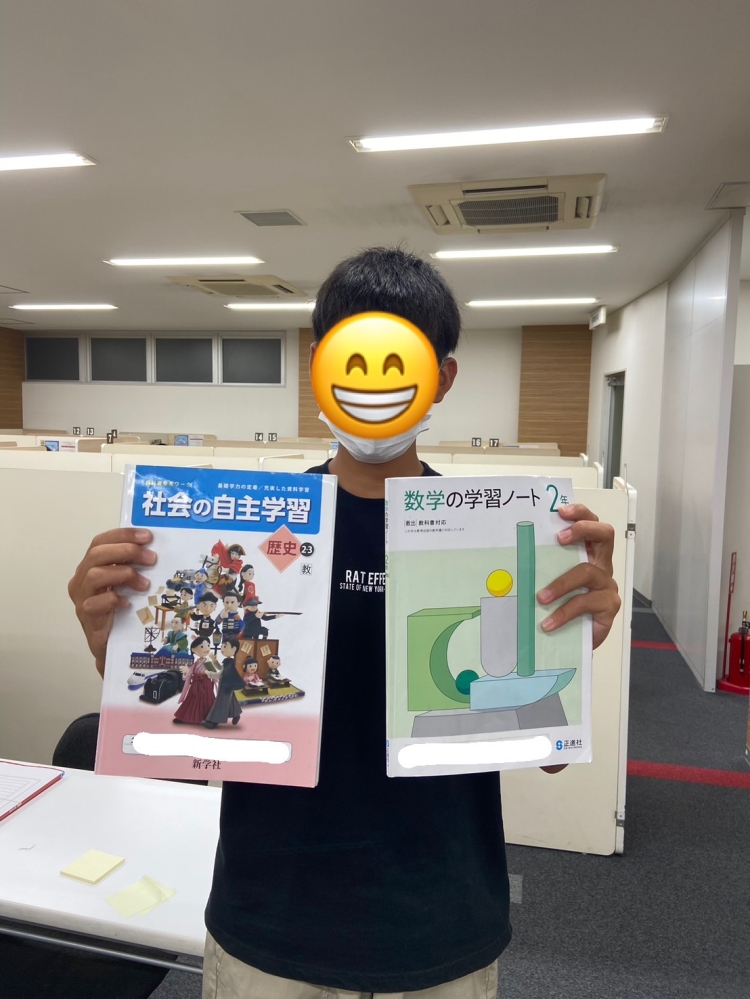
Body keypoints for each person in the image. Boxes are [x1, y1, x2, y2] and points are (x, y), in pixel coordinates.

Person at [68, 246, 620, 999]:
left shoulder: (494, 540)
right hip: (271, 922)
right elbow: (179, 735)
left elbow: (547, 756)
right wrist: (115, 648)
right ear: (320, 367)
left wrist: (572, 650)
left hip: (441, 924)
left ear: (442, 378)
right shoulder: (247, 539)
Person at [173, 636, 218, 725]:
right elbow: (190, 673)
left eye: (208, 645)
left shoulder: (208, 662)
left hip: (206, 684)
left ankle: (210, 718)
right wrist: (187, 671)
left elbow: (215, 675)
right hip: (196, 683)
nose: (206, 648)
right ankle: (184, 716)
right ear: (193, 650)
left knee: (207, 700)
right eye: (202, 646)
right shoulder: (196, 662)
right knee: (191, 699)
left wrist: (214, 677)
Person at [203, 637, 244, 728]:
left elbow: (220, 674)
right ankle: (236, 713)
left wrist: (209, 674)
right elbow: (221, 668)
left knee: (221, 702)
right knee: (230, 700)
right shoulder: (228, 661)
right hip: (226, 684)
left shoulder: (230, 662)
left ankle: (214, 721)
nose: (222, 649)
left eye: (225, 646)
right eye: (222, 646)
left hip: (226, 685)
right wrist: (215, 661)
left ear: (234, 649)